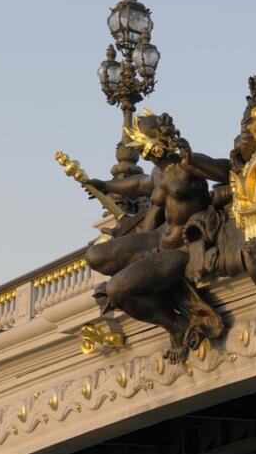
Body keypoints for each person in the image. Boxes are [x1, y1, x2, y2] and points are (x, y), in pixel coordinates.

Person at [85, 111, 229, 362]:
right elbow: (139, 185)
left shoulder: (188, 166)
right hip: (158, 239)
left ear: (157, 141)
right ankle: (145, 279)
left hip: (182, 248)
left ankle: (175, 325)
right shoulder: (157, 173)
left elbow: (226, 170)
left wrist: (193, 156)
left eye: (142, 143)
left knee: (116, 290)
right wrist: (106, 186)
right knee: (95, 256)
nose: (141, 151)